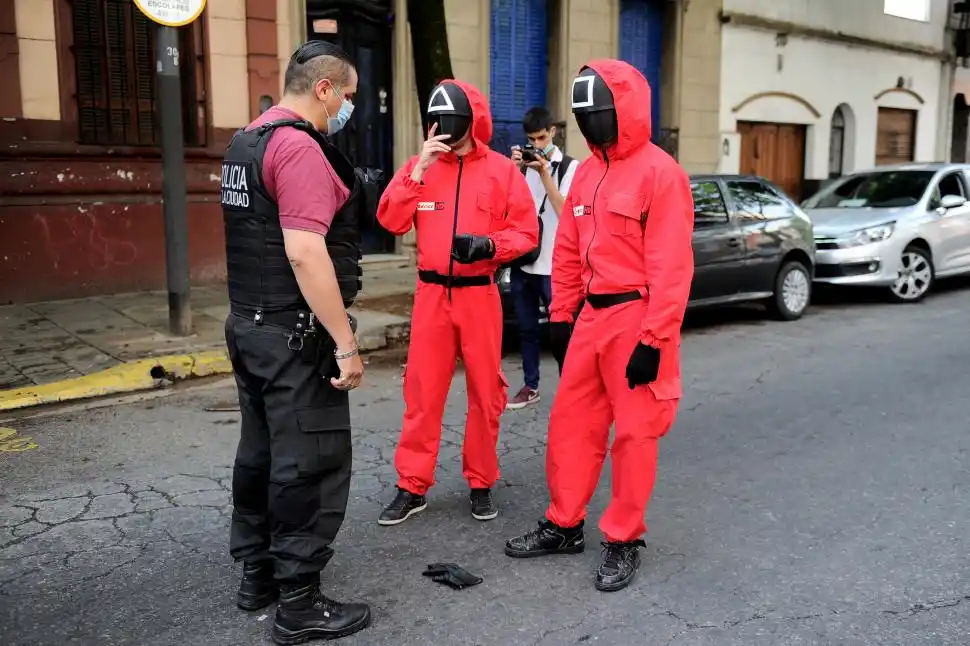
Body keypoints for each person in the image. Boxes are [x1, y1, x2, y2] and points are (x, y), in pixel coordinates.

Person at [504, 59, 695, 593]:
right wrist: (562, 316)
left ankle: (623, 538)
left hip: (638, 316)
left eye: (599, 113)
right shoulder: (585, 172)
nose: (591, 124)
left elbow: (672, 266)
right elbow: (566, 249)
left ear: (624, 110)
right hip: (590, 316)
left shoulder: (661, 173)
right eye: (583, 115)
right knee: (571, 427)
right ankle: (564, 524)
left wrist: (655, 339)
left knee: (634, 436)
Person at [222, 40, 372, 644]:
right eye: (350, 97)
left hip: (249, 326)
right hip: (293, 332)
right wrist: (345, 343)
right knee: (308, 461)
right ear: (325, 90)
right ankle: (300, 603)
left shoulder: (244, 141)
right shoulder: (298, 148)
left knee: (259, 452)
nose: (350, 109)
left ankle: (256, 574)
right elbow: (305, 251)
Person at [376, 79, 539, 526]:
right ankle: (412, 485)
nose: (445, 131)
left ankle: (481, 481)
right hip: (431, 295)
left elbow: (527, 233)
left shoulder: (503, 172)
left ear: (471, 122)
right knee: (423, 393)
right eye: (438, 124)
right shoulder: (420, 166)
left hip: (478, 296)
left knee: (486, 393)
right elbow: (390, 220)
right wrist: (418, 171)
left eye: (453, 123)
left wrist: (489, 246)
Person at [506, 107, 579, 410]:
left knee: (561, 330)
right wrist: (514, 170)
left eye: (541, 137)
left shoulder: (570, 167)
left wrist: (544, 172)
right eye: (531, 139)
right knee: (526, 328)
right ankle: (530, 385)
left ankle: (573, 386)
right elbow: (509, 207)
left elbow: (565, 212)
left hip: (555, 264)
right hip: (525, 260)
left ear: (553, 132)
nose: (536, 144)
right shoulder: (524, 166)